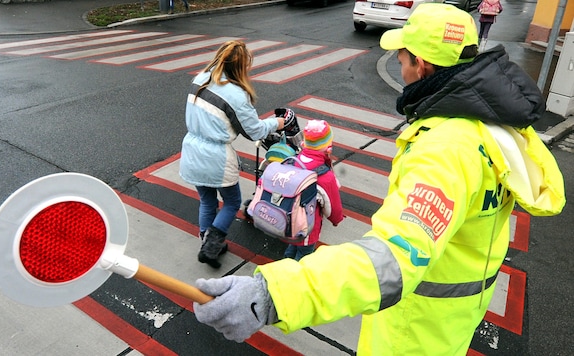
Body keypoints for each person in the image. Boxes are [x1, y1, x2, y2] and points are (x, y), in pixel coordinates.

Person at [191, 4, 565, 355]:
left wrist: (275, 293)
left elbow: (394, 256)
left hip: (411, 333)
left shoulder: (447, 148)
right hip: (449, 323)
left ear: (421, 65)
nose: (401, 69)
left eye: (402, 59)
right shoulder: (491, 127)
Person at [179, 40, 287, 269]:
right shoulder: (237, 95)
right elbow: (253, 131)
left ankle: (207, 241)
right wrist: (276, 123)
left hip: (192, 150)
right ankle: (211, 247)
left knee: (207, 201)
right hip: (216, 157)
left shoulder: (201, 78)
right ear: (240, 67)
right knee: (232, 202)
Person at [283, 119, 344, 261]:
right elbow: (332, 208)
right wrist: (336, 220)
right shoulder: (324, 176)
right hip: (307, 229)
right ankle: (293, 280)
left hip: (288, 223)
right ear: (328, 147)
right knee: (303, 258)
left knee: (292, 248)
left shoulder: (294, 161)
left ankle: (285, 265)